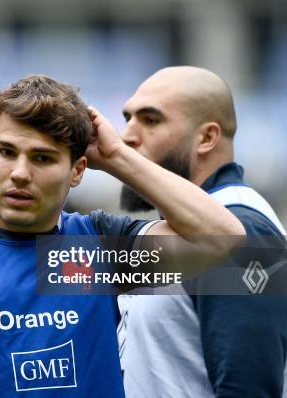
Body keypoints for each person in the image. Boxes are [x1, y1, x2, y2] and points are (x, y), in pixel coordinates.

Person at [0, 75, 245, 397]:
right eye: (6, 152)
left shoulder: (100, 250)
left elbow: (223, 238)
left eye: (42, 158)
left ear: (78, 171)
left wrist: (121, 158)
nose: (20, 172)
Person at [117, 66, 287, 397]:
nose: (126, 136)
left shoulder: (241, 229)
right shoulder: (187, 227)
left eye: (150, 120)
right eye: (128, 118)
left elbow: (247, 389)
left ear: (207, 138)